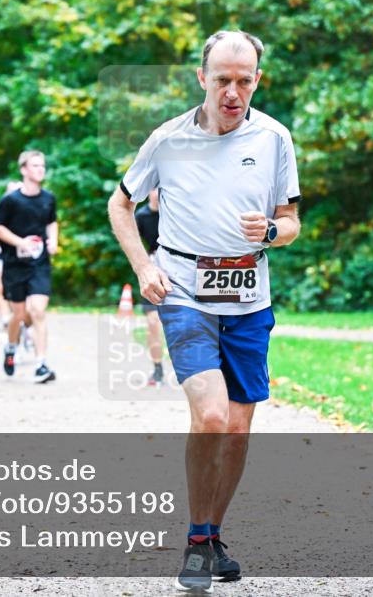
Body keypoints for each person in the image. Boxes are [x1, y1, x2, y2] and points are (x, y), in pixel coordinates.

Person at [108, 30, 300, 593]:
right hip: (186, 292)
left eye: (245, 80)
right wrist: (145, 267)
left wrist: (270, 230)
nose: (233, 92)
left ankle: (214, 531)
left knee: (238, 429)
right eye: (223, 80)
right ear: (202, 78)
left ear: (257, 80)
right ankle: (196, 541)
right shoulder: (166, 140)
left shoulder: (275, 139)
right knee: (212, 416)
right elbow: (120, 205)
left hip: (249, 299)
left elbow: (289, 223)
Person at [0, 151, 58, 384]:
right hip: (14, 265)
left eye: (42, 165)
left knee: (37, 311)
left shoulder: (49, 198)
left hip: (39, 264)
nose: (40, 169)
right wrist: (21, 243)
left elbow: (52, 222)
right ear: (24, 169)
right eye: (35, 165)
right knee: (19, 315)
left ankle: (41, 364)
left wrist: (53, 240)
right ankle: (11, 347)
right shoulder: (10, 200)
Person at [134, 187, 166, 386]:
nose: (157, 193)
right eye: (154, 188)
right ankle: (157, 369)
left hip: (177, 273)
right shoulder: (141, 217)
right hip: (151, 273)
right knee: (153, 322)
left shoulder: (174, 212)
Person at [0, 182, 21, 328]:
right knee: (1, 289)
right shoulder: (1, 211)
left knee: (17, 290)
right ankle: (5, 317)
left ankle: (18, 317)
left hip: (17, 258)